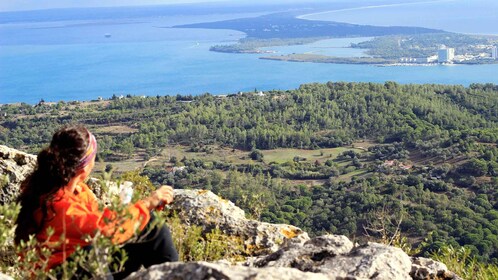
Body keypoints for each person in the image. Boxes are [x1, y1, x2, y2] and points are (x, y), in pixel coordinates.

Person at [14, 125, 178, 279]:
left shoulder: (72, 189)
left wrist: (143, 212)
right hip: (61, 273)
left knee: (150, 224)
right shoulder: (58, 204)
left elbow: (102, 221)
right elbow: (105, 230)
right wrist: (147, 203)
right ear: (84, 167)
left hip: (86, 266)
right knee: (87, 255)